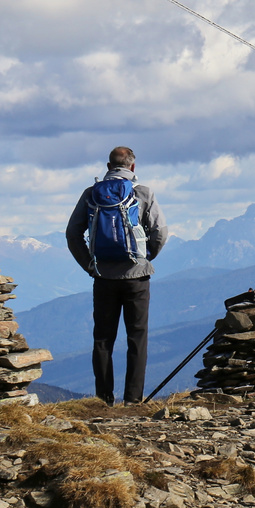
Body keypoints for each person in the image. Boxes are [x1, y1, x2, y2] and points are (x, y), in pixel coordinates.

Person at [64, 146, 168, 404]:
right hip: (137, 278)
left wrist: (89, 264)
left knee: (102, 338)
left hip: (104, 278)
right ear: (132, 167)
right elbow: (160, 233)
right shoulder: (143, 193)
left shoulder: (91, 194)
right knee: (137, 337)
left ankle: (103, 398)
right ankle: (133, 399)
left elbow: (72, 234)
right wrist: (146, 257)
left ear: (108, 166)